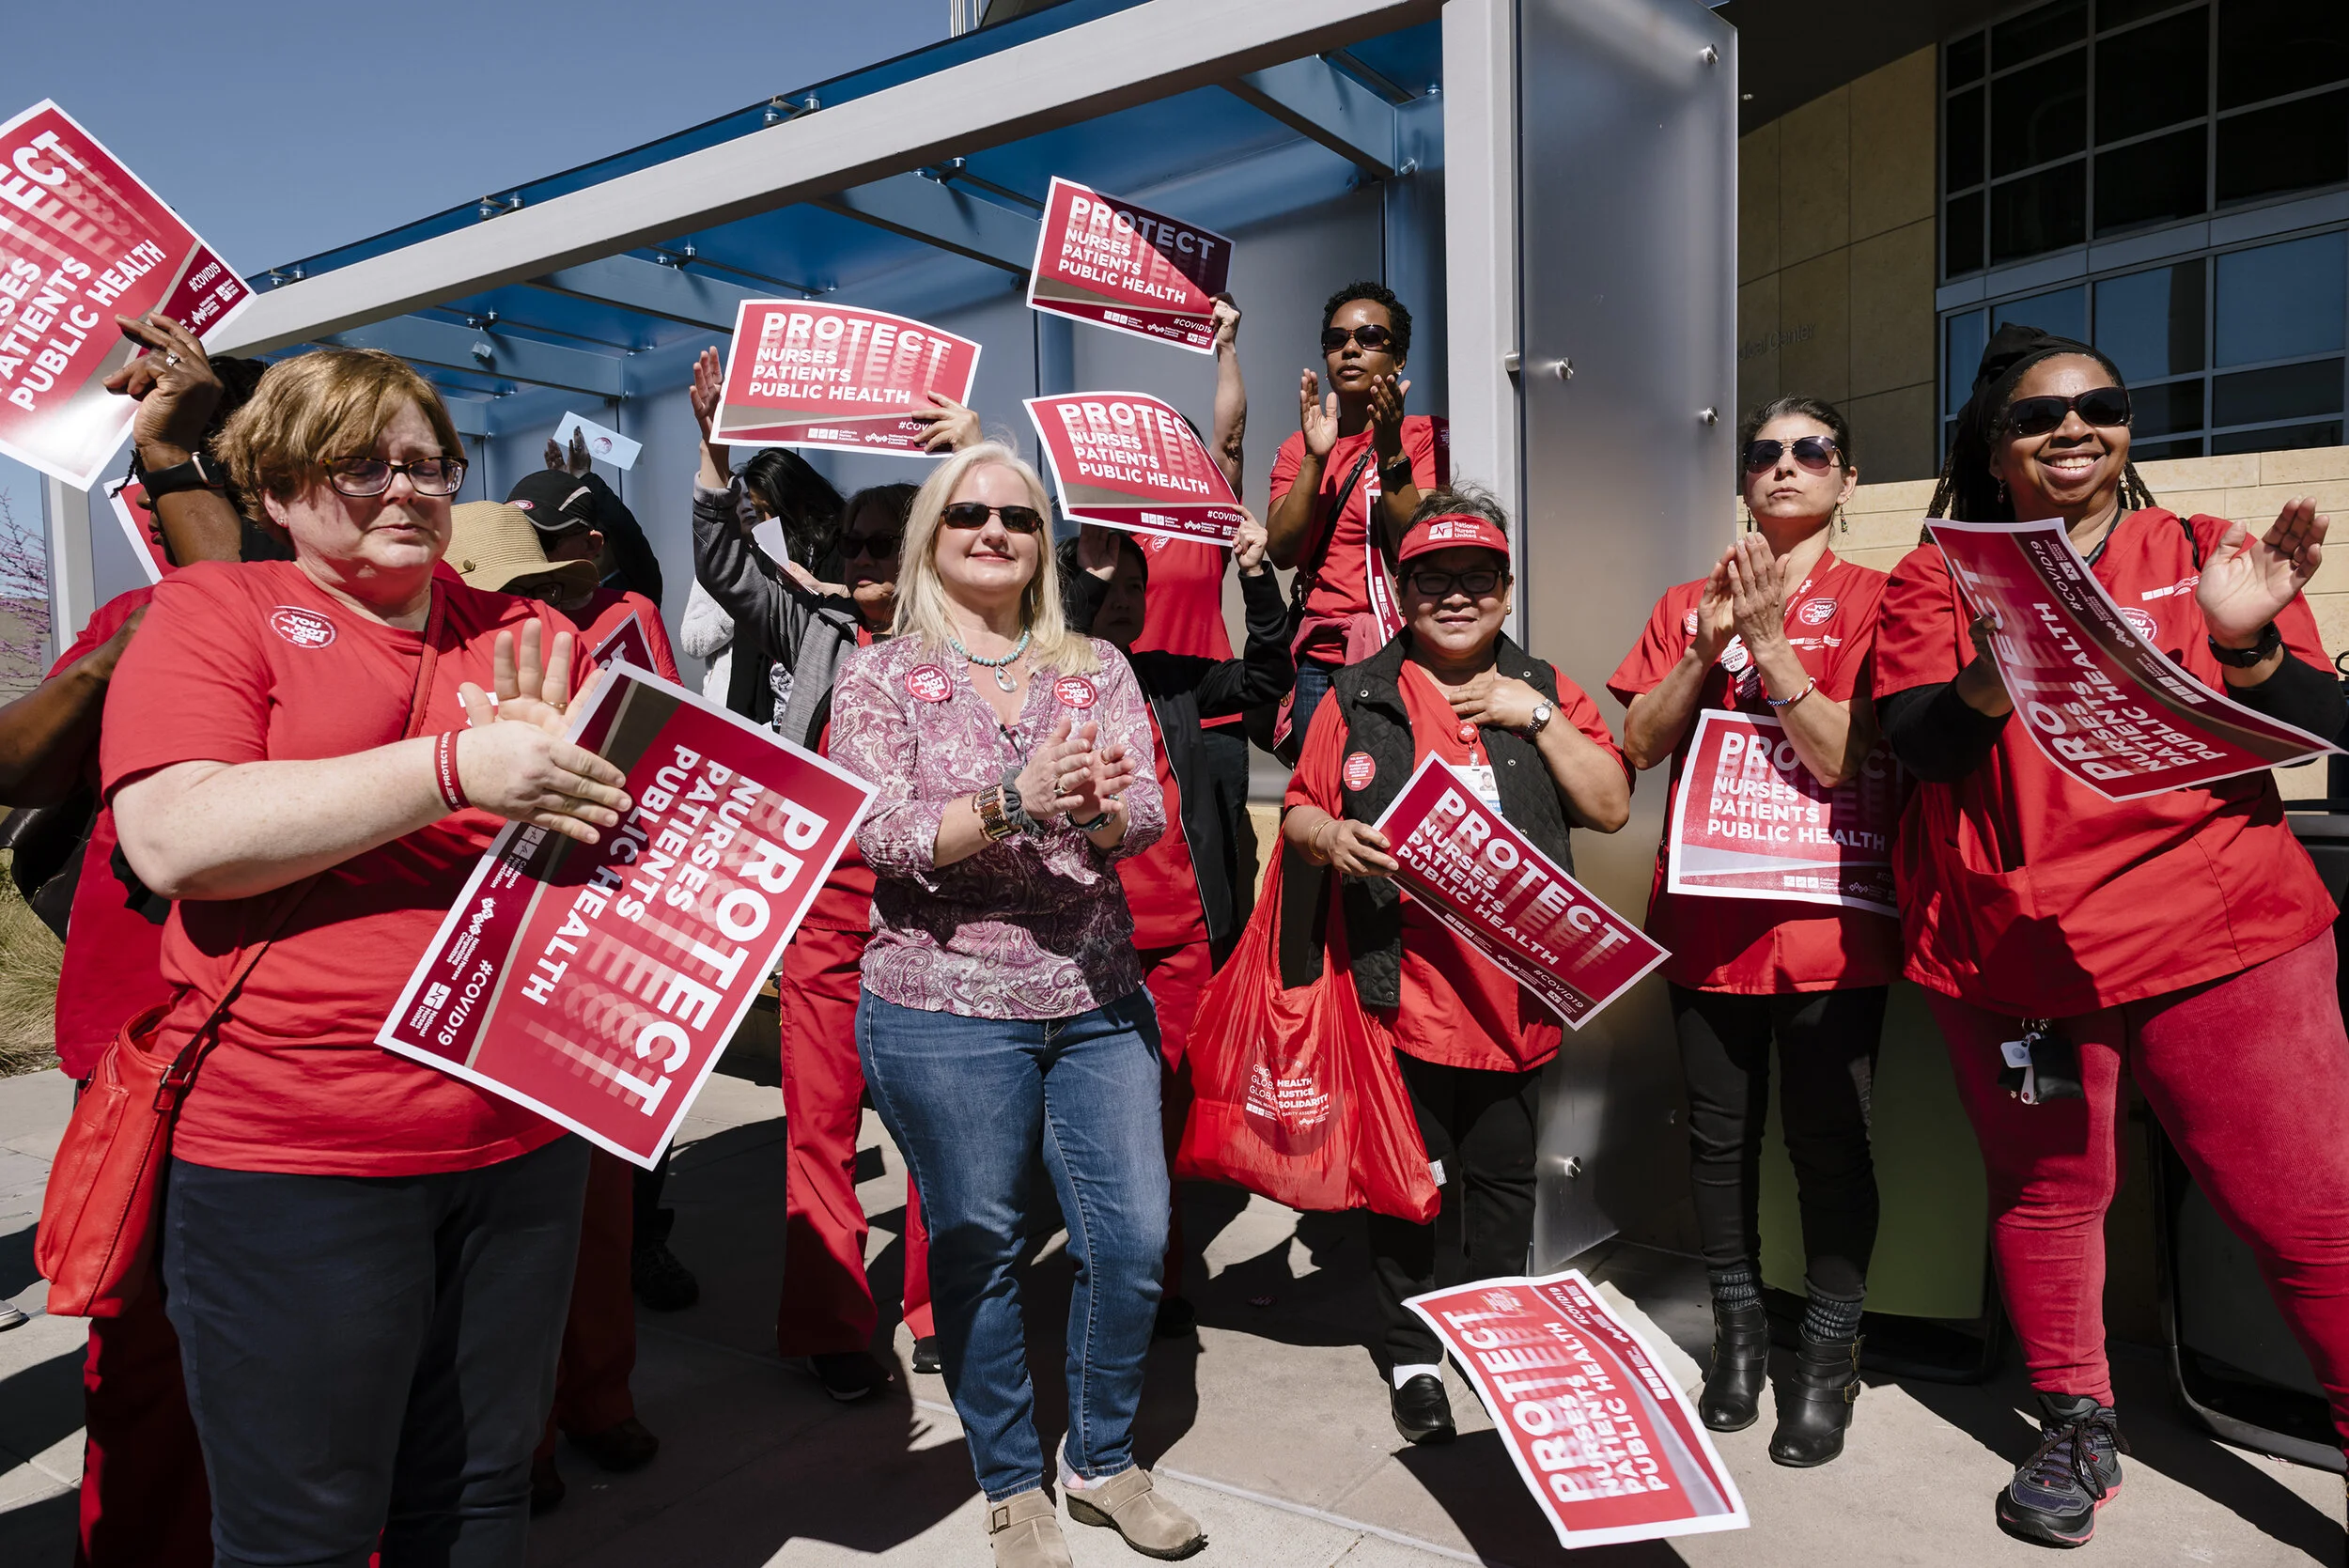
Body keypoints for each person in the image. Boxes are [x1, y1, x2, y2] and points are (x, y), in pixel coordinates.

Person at [101, 347, 634, 1565]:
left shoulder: (530, 629)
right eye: (362, 464)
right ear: (279, 490)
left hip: (518, 1143)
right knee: (308, 1531)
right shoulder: (214, 610)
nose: (406, 489)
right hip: (300, 1154)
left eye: (427, 462)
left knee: (483, 1493)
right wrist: (455, 770)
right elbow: (176, 837)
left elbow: (636, 846)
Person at [1876, 322, 2349, 1549]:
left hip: (2224, 928)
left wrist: (2245, 638)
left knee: (2305, 1214)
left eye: (2101, 404)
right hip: (2015, 949)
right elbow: (1918, 747)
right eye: (2038, 415)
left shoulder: (2194, 550)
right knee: (2047, 1198)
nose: (2073, 427)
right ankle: (2076, 1424)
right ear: (1992, 445)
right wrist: (1994, 665)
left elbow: (2309, 730)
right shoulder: (1937, 576)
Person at [830, 442, 1204, 1566]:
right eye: (968, 516)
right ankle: (1010, 1483)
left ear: (1044, 544)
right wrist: (1007, 800)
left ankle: (1098, 1460)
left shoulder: (1095, 664)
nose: (994, 532)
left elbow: (1141, 813)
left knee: (1132, 1237)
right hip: (940, 1004)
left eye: (1019, 518)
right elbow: (875, 832)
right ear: (930, 538)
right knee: (979, 1241)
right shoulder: (880, 673)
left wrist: (1093, 814)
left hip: (1092, 993)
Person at [1278, 488, 1629, 1445]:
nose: (1458, 596)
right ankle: (1413, 1354)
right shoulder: (1359, 695)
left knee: (1504, 1181)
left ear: (1507, 590)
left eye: (1478, 578)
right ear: (1403, 591)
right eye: (1435, 579)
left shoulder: (1546, 686)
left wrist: (1539, 717)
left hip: (1514, 994)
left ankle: (1490, 1331)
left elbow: (1608, 807)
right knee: (1408, 1187)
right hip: (1399, 992)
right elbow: (1300, 808)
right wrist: (1327, 837)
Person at [1610, 396, 1896, 1467]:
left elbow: (1841, 757)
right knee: (1719, 1146)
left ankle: (1826, 1360)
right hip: (1703, 927)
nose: (1785, 467)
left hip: (1830, 928)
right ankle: (1736, 1341)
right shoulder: (1690, 598)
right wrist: (1704, 650)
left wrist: (1771, 649)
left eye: (1810, 451)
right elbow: (1637, 741)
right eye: (1764, 453)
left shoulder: (1881, 597)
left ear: (1846, 477)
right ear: (1742, 480)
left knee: (1829, 1148)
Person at [684, 346, 936, 1400]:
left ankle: (937, 1308)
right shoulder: (821, 626)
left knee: (940, 1130)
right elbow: (720, 558)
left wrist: (966, 451)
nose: (863, 558)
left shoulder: (972, 644)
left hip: (934, 905)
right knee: (819, 1121)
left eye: (885, 544)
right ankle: (835, 1321)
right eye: (852, 541)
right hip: (827, 900)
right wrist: (712, 450)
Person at [442, 500, 664, 1512]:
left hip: (577, 968)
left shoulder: (581, 655)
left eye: (544, 588)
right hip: (466, 982)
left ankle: (596, 1397)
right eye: (514, 590)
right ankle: (520, 1438)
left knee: (593, 1218)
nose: (538, 607)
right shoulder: (427, 664)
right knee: (491, 1255)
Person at [1060, 509, 1293, 1340]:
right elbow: (1065, 638)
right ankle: (1103, 1272)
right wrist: (1081, 582)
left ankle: (1155, 1284)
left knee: (1166, 1118)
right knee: (1104, 1124)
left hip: (1185, 938)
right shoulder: (1055, 679)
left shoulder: (1172, 676)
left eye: (1135, 586)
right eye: (1106, 585)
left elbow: (1267, 678)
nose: (1123, 599)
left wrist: (1258, 579)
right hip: (1094, 941)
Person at [1267, 281, 1449, 743]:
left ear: (1399, 358)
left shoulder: (1428, 434)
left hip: (1404, 651)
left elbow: (1417, 540)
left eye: (1369, 338)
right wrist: (1315, 458)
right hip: (1320, 662)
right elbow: (1283, 551)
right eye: (1336, 340)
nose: (1350, 349)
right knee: (1322, 798)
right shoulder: (1296, 447)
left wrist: (1389, 448)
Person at [455, 496, 680, 684]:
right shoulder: (438, 679)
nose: (536, 611)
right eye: (510, 596)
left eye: (544, 591)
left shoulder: (630, 611)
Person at [517, 430, 663, 603]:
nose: (595, 550)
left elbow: (622, 527)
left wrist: (583, 476)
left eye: (602, 542)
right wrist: (563, 488)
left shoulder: (635, 591)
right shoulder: (554, 594)